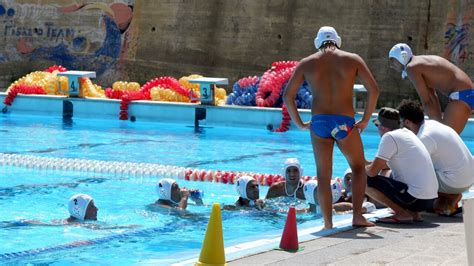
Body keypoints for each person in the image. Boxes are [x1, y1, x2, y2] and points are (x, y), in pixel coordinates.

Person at [283, 26, 379, 229]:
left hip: (319, 123)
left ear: (317, 42)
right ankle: (357, 217)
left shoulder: (307, 63)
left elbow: (287, 96)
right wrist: (365, 119)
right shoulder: (353, 59)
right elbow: (374, 89)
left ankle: (327, 223)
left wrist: (300, 123)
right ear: (338, 40)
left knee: (323, 176)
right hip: (344, 122)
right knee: (359, 168)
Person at [397, 99, 474, 215]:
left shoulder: (424, 137)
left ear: (407, 122)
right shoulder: (433, 124)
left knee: (407, 177)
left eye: (401, 123)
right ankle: (448, 199)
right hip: (468, 178)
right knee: (436, 205)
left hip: (455, 182)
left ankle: (451, 195)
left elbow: (410, 169)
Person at [366, 107, 439, 224]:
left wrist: (359, 170)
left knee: (362, 180)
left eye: (376, 125)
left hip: (415, 199)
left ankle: (402, 214)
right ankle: (413, 213)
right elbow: (384, 165)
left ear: (383, 126)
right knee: (389, 176)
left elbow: (372, 172)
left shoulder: (389, 137)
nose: (377, 129)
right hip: (429, 200)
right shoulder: (407, 134)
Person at [388, 43, 473, 134]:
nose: (391, 65)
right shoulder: (420, 63)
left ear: (402, 57)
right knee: (444, 138)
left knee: (444, 138)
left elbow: (426, 101)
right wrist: (437, 124)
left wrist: (435, 127)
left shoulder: (411, 68)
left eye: (393, 60)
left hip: (461, 94)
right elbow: (432, 96)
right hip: (465, 92)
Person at [1, 194, 137, 230]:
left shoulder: (70, 220)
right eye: (92, 207)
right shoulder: (78, 225)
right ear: (80, 211)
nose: (97, 209)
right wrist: (126, 227)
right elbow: (102, 229)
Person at [303, 180, 376, 214]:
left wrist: (349, 213)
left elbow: (371, 206)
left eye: (327, 192)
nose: (323, 195)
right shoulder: (306, 211)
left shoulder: (337, 207)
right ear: (311, 195)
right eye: (319, 192)